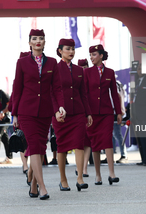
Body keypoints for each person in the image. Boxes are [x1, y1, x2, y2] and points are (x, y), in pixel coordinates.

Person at [12, 29, 66, 200]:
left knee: (41, 148)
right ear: (29, 43)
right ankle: (43, 187)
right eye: (34, 39)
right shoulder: (21, 63)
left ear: (44, 42)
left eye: (41, 38)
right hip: (26, 111)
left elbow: (56, 88)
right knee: (34, 146)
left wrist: (60, 107)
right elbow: (17, 88)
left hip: (45, 112)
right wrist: (14, 114)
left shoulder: (52, 63)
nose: (38, 41)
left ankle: (33, 184)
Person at [52, 39, 93, 192]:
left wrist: (88, 113)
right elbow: (52, 93)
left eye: (73, 49)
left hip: (78, 113)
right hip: (61, 115)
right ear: (60, 50)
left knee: (79, 144)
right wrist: (56, 111)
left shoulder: (79, 70)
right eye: (68, 49)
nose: (71, 51)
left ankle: (80, 178)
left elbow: (83, 94)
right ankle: (63, 180)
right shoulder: (54, 69)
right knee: (61, 147)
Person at [84, 44, 122, 185]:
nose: (92, 57)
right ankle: (98, 175)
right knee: (95, 143)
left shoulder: (110, 73)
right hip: (92, 114)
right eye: (90, 55)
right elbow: (85, 94)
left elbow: (114, 93)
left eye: (94, 54)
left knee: (107, 141)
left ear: (101, 55)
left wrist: (118, 112)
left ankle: (112, 174)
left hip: (106, 113)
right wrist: (87, 113)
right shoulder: (87, 72)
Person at [77, 58, 93, 176]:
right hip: (78, 111)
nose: (83, 69)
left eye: (85, 66)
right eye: (81, 67)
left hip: (90, 111)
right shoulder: (75, 78)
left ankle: (84, 168)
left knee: (88, 141)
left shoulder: (92, 77)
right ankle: (80, 166)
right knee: (79, 141)